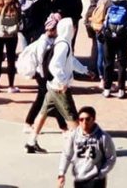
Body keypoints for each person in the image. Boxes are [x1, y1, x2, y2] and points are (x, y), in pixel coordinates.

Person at [27, 19, 91, 154]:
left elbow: (71, 61)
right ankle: (82, 147)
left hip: (52, 86)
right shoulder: (64, 45)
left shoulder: (61, 42)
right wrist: (63, 82)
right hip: (59, 87)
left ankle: (31, 142)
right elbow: (54, 65)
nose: (74, 29)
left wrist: (85, 70)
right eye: (72, 27)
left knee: (43, 113)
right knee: (72, 116)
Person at [57, 106, 117, 188]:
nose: (84, 122)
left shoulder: (103, 137)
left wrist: (101, 174)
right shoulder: (73, 136)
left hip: (96, 180)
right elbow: (67, 155)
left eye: (87, 119)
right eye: (81, 119)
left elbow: (111, 158)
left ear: (93, 119)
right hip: (79, 178)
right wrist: (61, 173)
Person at [101, 0, 127, 98]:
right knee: (121, 63)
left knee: (108, 62)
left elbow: (104, 17)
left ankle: (107, 88)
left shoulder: (109, 2)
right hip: (123, 36)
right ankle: (121, 90)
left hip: (109, 35)